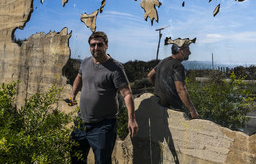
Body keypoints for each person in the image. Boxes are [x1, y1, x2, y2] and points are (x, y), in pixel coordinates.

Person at [70, 31, 138, 164]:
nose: (95, 48)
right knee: (75, 158)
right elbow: (79, 77)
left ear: (106, 45)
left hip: (103, 126)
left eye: (99, 44)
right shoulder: (85, 62)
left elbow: (127, 94)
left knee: (102, 161)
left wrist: (132, 119)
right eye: (92, 45)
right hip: (82, 122)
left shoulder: (115, 68)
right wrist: (73, 94)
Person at [147, 43, 199, 118]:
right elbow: (180, 89)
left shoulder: (163, 61)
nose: (190, 53)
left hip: (159, 104)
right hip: (172, 109)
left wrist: (160, 86)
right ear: (180, 51)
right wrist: (192, 111)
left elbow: (150, 75)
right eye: (187, 50)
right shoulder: (178, 66)